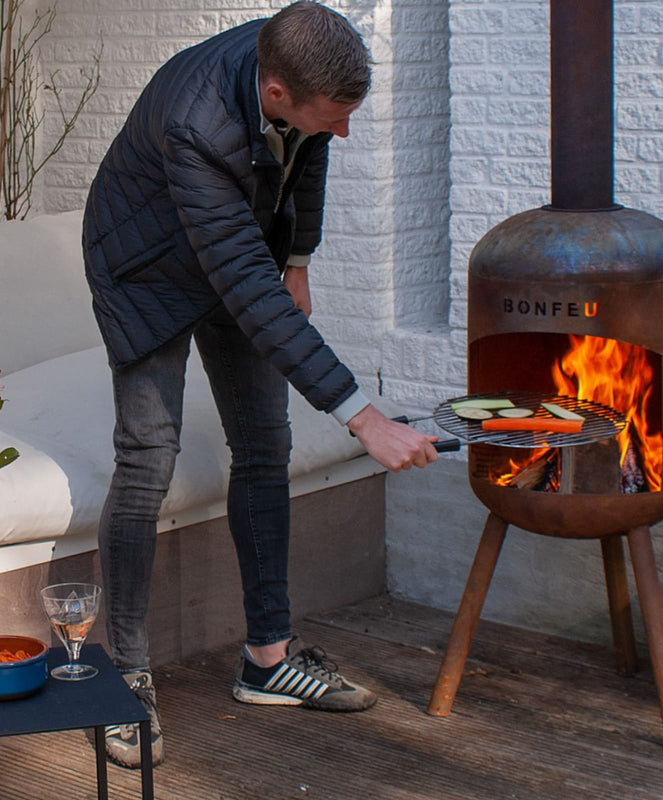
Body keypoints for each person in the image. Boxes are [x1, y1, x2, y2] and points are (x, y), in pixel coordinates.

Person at [83, 0, 439, 770]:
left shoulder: (293, 57)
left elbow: (311, 155)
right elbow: (243, 282)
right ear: (274, 91)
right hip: (143, 267)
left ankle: (267, 659)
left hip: (233, 244)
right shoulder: (196, 120)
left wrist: (300, 257)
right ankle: (125, 675)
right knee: (149, 456)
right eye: (332, 115)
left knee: (264, 444)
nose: (344, 130)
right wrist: (362, 416)